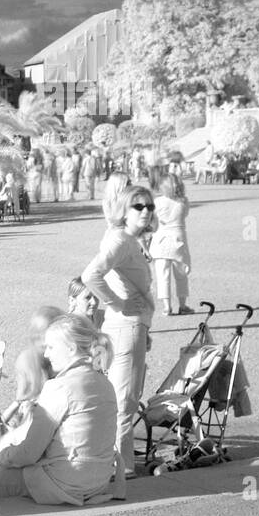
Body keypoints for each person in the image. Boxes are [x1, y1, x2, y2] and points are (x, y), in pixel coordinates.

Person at [0, 315, 118, 505]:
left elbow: (29, 453)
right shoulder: (105, 383)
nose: (46, 354)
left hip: (64, 482)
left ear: (71, 348)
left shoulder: (60, 387)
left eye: (51, 347)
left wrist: (3, 455)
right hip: (98, 482)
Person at [81, 184, 156, 495]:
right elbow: (90, 275)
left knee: (122, 395)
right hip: (125, 327)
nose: (146, 211)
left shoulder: (126, 239)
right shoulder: (122, 240)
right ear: (125, 211)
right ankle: (122, 467)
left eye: (150, 206)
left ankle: (117, 463)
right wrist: (117, 303)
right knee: (124, 399)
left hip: (128, 328)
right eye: (138, 206)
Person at [151, 173, 193, 316]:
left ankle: (166, 306)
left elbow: (153, 219)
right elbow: (185, 215)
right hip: (178, 238)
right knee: (181, 274)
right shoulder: (183, 201)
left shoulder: (157, 202)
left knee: (162, 275)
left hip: (161, 238)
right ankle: (182, 305)